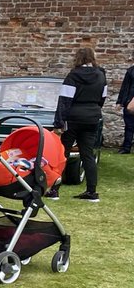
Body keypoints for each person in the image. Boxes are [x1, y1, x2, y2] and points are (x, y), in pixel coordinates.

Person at [53, 46, 107, 201]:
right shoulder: (101, 75)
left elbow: (65, 100)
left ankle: (55, 189)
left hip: (73, 117)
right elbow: (102, 98)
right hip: (92, 117)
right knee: (87, 154)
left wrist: (59, 122)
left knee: (63, 152)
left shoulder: (73, 75)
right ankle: (92, 191)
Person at [117, 61, 134, 154]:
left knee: (129, 126)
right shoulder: (131, 71)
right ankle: (126, 147)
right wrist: (120, 101)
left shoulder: (131, 71)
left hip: (130, 101)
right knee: (129, 126)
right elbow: (125, 87)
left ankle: (126, 147)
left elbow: (125, 87)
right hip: (130, 102)